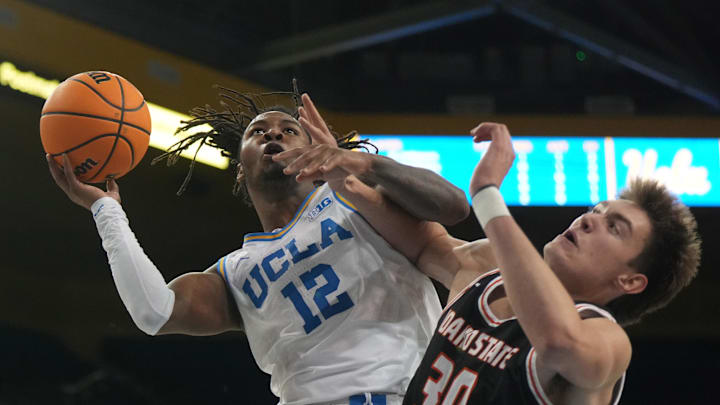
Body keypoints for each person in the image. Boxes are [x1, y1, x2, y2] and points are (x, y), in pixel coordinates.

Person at [46, 90, 471, 405]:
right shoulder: (236, 271)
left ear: (314, 148)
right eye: (258, 132)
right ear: (240, 169)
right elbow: (152, 312)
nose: (275, 135)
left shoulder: (360, 202)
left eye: (290, 130)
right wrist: (106, 211)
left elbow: (453, 207)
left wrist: (360, 162)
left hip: (401, 393)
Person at [333, 123, 701, 405]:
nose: (588, 220)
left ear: (630, 281)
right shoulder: (487, 274)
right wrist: (338, 172)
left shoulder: (606, 340)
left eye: (614, 228)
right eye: (596, 211)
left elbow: (559, 343)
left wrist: (489, 196)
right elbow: (424, 241)